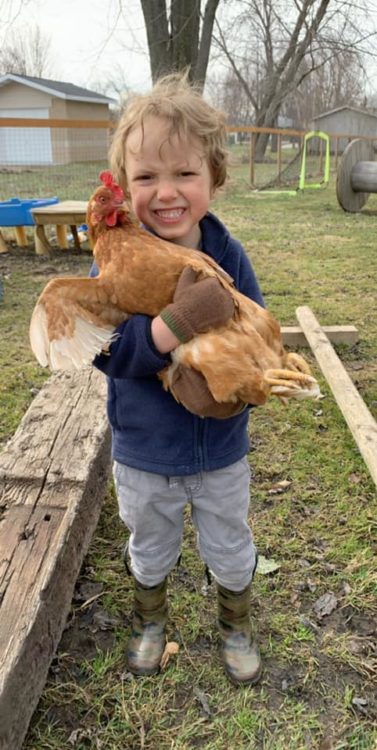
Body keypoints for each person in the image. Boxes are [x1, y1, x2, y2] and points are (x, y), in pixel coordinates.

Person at [91, 73, 265, 686]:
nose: (165, 192)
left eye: (184, 174)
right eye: (146, 178)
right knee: (151, 543)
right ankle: (149, 621)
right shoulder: (116, 261)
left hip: (219, 448)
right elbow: (107, 351)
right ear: (125, 187)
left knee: (229, 543)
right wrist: (169, 330)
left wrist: (233, 390)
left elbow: (256, 335)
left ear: (213, 178)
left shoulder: (228, 254)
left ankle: (235, 624)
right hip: (144, 449)